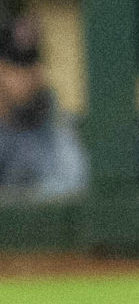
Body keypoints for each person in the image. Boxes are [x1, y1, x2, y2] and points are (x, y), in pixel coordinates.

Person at [0, 11, 87, 199]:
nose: (28, 35)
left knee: (63, 134)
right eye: (23, 29)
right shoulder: (4, 69)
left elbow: (42, 114)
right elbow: (13, 117)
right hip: (7, 141)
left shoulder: (39, 70)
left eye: (32, 30)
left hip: (36, 144)